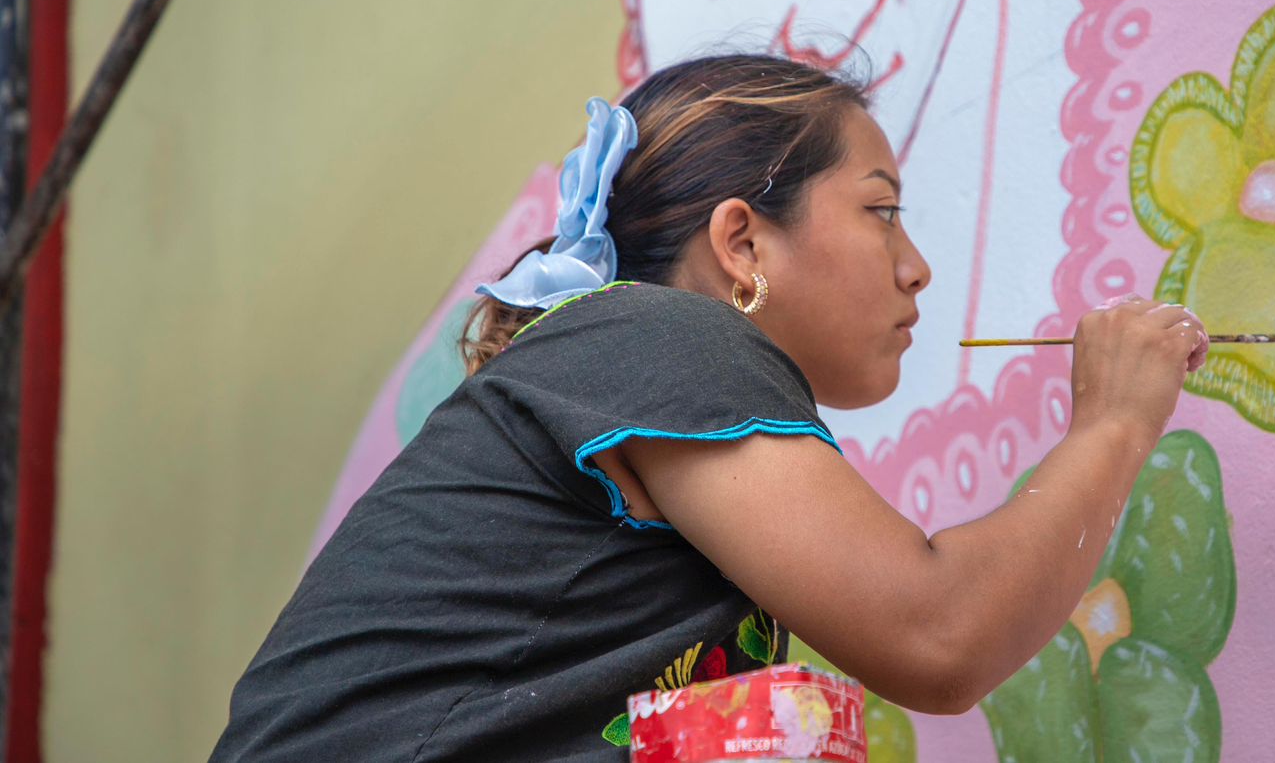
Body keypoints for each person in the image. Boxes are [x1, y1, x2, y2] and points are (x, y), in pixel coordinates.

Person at [210, 53, 1207, 762]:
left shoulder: (629, 366)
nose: (916, 266)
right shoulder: (660, 337)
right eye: (881, 211)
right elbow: (937, 633)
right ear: (741, 244)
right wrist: (1112, 423)